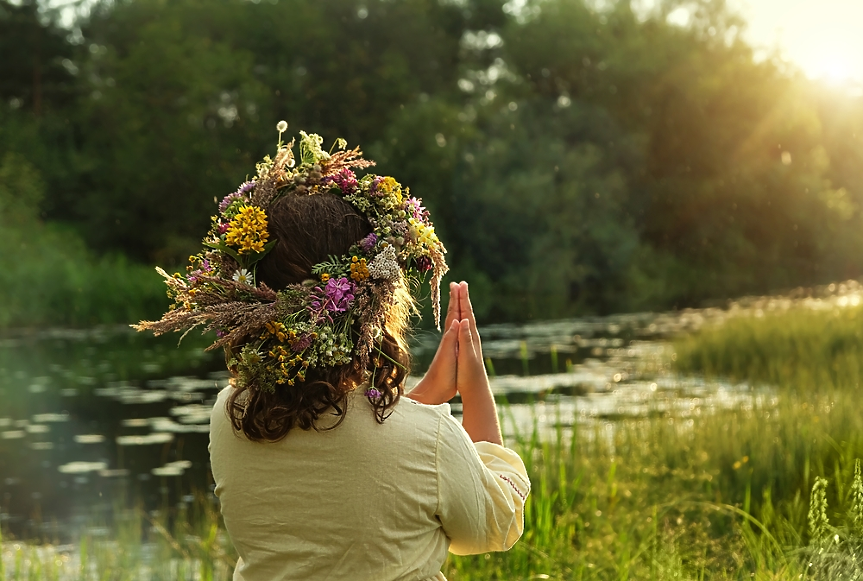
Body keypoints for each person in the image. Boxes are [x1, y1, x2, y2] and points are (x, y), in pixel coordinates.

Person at [135, 125, 530, 581]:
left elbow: (341, 440)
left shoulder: (231, 417)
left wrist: (422, 401)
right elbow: (495, 525)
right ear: (375, 301)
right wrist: (473, 385)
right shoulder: (430, 440)